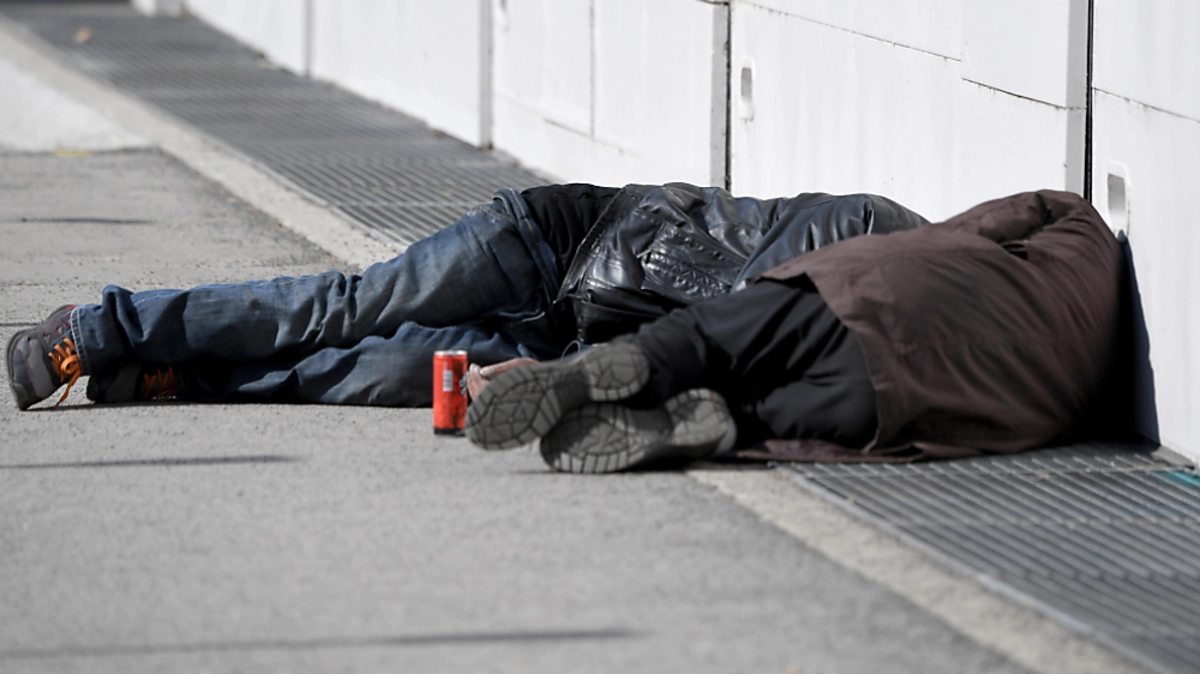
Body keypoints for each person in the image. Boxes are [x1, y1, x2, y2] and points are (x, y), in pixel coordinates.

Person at [7, 183, 927, 410]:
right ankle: (99, 329)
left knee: (386, 373)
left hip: (572, 338)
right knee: (348, 307)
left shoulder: (861, 341)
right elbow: (721, 293)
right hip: (552, 242)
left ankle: (179, 376)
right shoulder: (869, 229)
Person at [465, 190, 1127, 473]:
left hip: (877, 294)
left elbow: (983, 225)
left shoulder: (1078, 229)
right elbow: (971, 438)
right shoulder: (1075, 401)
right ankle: (723, 425)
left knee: (708, 339)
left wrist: (941, 250)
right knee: (764, 413)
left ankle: (617, 367)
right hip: (904, 396)